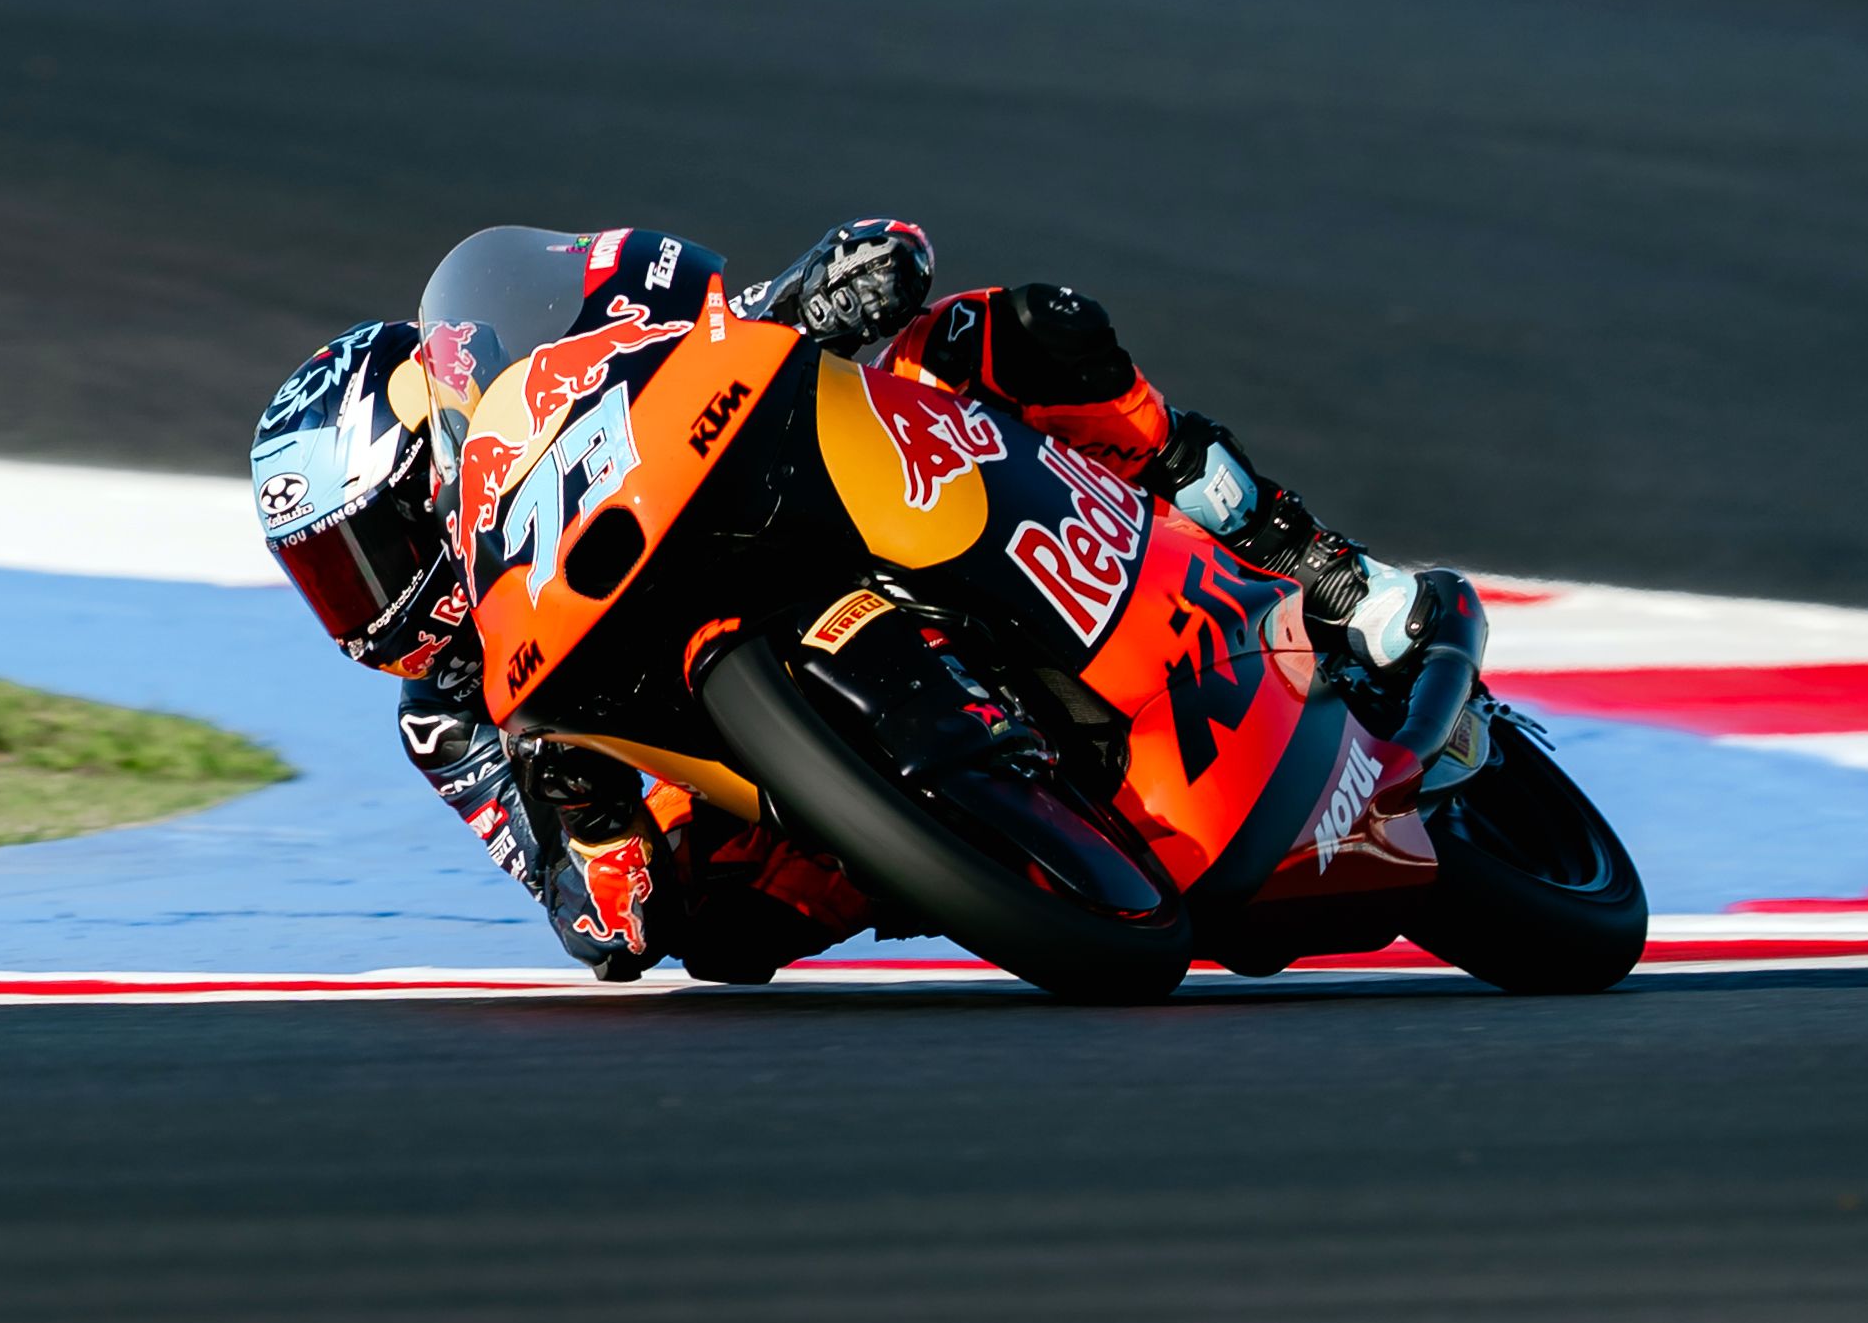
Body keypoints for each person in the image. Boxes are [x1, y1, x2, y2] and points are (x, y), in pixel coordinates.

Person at [251, 222, 1422, 984]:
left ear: (434, 468)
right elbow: (593, 917)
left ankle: (1305, 554)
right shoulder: (447, 715)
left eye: (365, 553)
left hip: (801, 489)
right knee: (717, 934)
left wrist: (811, 289)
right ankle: (942, 847)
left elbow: (679, 312)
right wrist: (591, 833)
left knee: (1013, 332)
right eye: (327, 579)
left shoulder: (538, 374)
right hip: (758, 784)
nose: (365, 604)